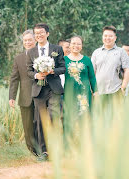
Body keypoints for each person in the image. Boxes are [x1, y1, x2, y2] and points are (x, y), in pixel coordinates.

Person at [27, 23, 66, 160]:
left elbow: (63, 68)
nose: (39, 35)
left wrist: (52, 71)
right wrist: (36, 75)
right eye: (36, 33)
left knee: (52, 117)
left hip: (53, 88)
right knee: (39, 120)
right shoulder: (31, 52)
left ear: (47, 34)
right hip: (38, 90)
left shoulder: (57, 49)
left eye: (41, 33)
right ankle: (44, 152)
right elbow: (28, 71)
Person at [9, 30, 37, 156]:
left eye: (30, 40)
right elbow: (14, 79)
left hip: (42, 95)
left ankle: (44, 150)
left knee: (41, 125)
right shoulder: (18, 58)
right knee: (28, 126)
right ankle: (32, 152)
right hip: (25, 97)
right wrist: (12, 97)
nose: (27, 42)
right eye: (25, 40)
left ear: (35, 40)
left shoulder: (42, 55)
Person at [63, 36, 98, 132]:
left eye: (78, 44)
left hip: (84, 95)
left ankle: (85, 143)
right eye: (73, 43)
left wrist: (95, 91)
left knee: (84, 118)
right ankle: (69, 144)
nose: (76, 46)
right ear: (69, 45)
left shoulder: (87, 60)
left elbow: (92, 77)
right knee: (69, 118)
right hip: (69, 93)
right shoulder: (63, 60)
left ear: (82, 46)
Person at [91, 26, 129, 104]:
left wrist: (123, 87)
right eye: (105, 36)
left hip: (116, 91)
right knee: (100, 116)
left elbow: (127, 69)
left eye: (110, 36)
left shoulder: (121, 52)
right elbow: (92, 72)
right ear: (102, 37)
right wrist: (93, 90)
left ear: (115, 38)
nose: (107, 38)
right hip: (99, 92)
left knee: (116, 116)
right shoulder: (96, 52)